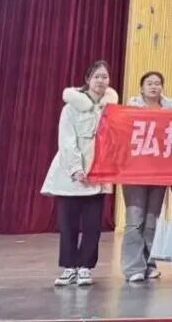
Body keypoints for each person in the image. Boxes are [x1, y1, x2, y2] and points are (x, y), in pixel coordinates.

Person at [41, 60, 119, 288]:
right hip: (72, 173)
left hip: (99, 172)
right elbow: (67, 140)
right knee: (69, 224)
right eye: (97, 77)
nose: (101, 81)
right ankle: (69, 267)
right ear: (88, 79)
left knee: (93, 225)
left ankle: (85, 267)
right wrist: (76, 169)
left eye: (105, 77)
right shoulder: (71, 107)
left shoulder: (111, 108)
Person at [122, 71, 172, 283]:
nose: (154, 87)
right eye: (149, 83)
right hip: (134, 171)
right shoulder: (131, 108)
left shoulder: (170, 108)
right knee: (135, 220)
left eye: (157, 83)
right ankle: (133, 267)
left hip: (159, 171)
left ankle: (149, 264)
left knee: (152, 220)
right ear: (141, 88)